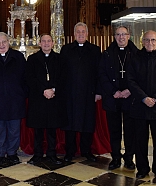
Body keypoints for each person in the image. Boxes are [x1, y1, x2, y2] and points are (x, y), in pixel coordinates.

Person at [128, 30, 156, 181]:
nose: (149, 43)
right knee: (140, 140)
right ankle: (142, 168)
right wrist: (144, 98)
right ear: (142, 42)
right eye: (146, 40)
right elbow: (130, 81)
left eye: (152, 40)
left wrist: (155, 98)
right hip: (140, 105)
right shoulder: (134, 58)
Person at [60, 22, 102, 162]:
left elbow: (99, 73)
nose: (81, 34)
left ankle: (86, 151)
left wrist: (98, 91)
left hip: (88, 93)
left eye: (83, 31)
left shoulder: (95, 50)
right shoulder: (66, 50)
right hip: (70, 93)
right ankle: (70, 152)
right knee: (69, 124)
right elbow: (61, 73)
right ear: (74, 34)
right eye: (78, 32)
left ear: (87, 33)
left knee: (87, 123)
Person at [0, 32, 27, 164]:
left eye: (4, 42)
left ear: (9, 42)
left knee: (14, 128)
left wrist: (22, 93)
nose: (1, 45)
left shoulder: (18, 57)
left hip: (15, 99)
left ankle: (12, 152)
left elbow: (26, 78)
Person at [98, 26, 137, 170]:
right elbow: (102, 74)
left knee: (130, 130)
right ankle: (115, 157)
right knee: (113, 130)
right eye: (118, 35)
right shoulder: (107, 53)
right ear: (114, 37)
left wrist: (129, 90)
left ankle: (129, 158)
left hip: (129, 97)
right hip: (112, 98)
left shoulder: (136, 54)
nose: (121, 37)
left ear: (129, 36)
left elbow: (140, 76)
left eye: (124, 34)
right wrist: (113, 91)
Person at [26, 34, 67, 165]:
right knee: (38, 129)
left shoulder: (60, 59)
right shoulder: (32, 59)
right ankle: (37, 154)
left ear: (53, 43)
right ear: (39, 43)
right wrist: (43, 90)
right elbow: (30, 79)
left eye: (49, 41)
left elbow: (63, 78)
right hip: (38, 99)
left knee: (52, 129)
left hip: (54, 99)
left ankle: (51, 154)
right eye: (43, 41)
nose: (46, 43)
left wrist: (53, 90)